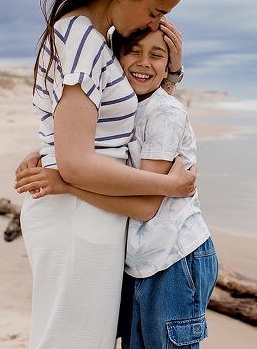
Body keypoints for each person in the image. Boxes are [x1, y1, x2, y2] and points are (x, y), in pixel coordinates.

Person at [0, 0, 196, 349]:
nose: (154, 25)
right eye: (154, 12)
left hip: (90, 208)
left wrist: (173, 74)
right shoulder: (81, 40)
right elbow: (77, 163)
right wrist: (168, 186)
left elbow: (103, 128)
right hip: (79, 215)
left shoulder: (91, 38)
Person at [15, 27, 218, 349]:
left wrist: (66, 185)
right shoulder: (123, 107)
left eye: (157, 55)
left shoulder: (164, 114)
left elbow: (146, 207)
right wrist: (43, 153)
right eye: (133, 51)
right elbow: (90, 145)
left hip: (173, 259)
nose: (144, 62)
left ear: (167, 67)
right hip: (140, 260)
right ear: (114, 59)